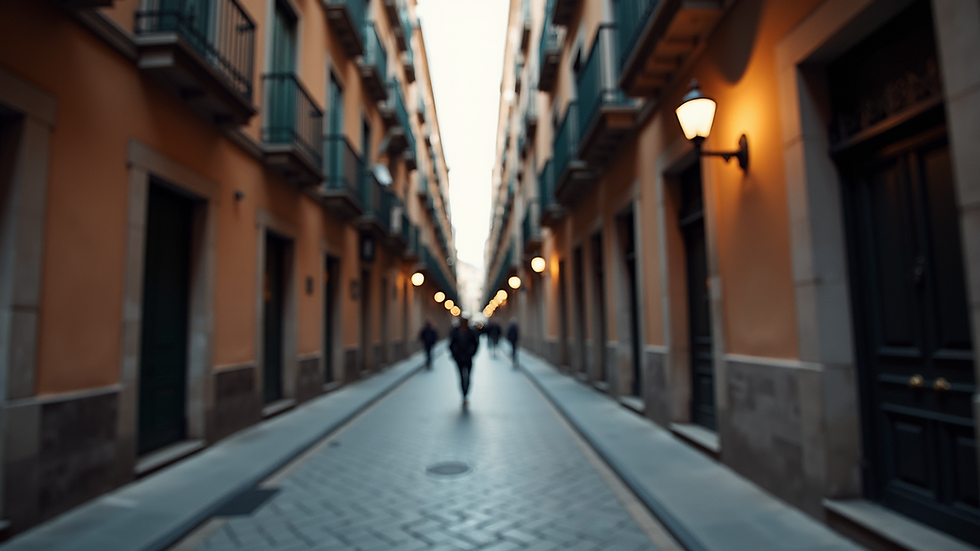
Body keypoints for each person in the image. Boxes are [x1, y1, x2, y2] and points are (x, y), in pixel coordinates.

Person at [449, 316, 480, 407]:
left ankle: (466, 392)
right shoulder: (455, 332)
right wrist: (455, 353)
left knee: (468, 377)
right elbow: (451, 344)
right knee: (461, 377)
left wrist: (472, 353)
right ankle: (464, 394)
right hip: (459, 358)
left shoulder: (471, 332)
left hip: (468, 358)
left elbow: (476, 344)